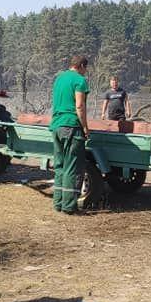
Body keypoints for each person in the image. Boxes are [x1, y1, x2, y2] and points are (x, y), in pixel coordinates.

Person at [49, 55, 91, 215]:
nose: (85, 72)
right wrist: (85, 128)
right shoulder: (79, 80)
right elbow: (79, 105)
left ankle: (58, 203)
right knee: (72, 166)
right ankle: (69, 206)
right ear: (81, 66)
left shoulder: (59, 78)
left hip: (56, 126)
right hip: (71, 125)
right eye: (85, 69)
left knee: (59, 165)